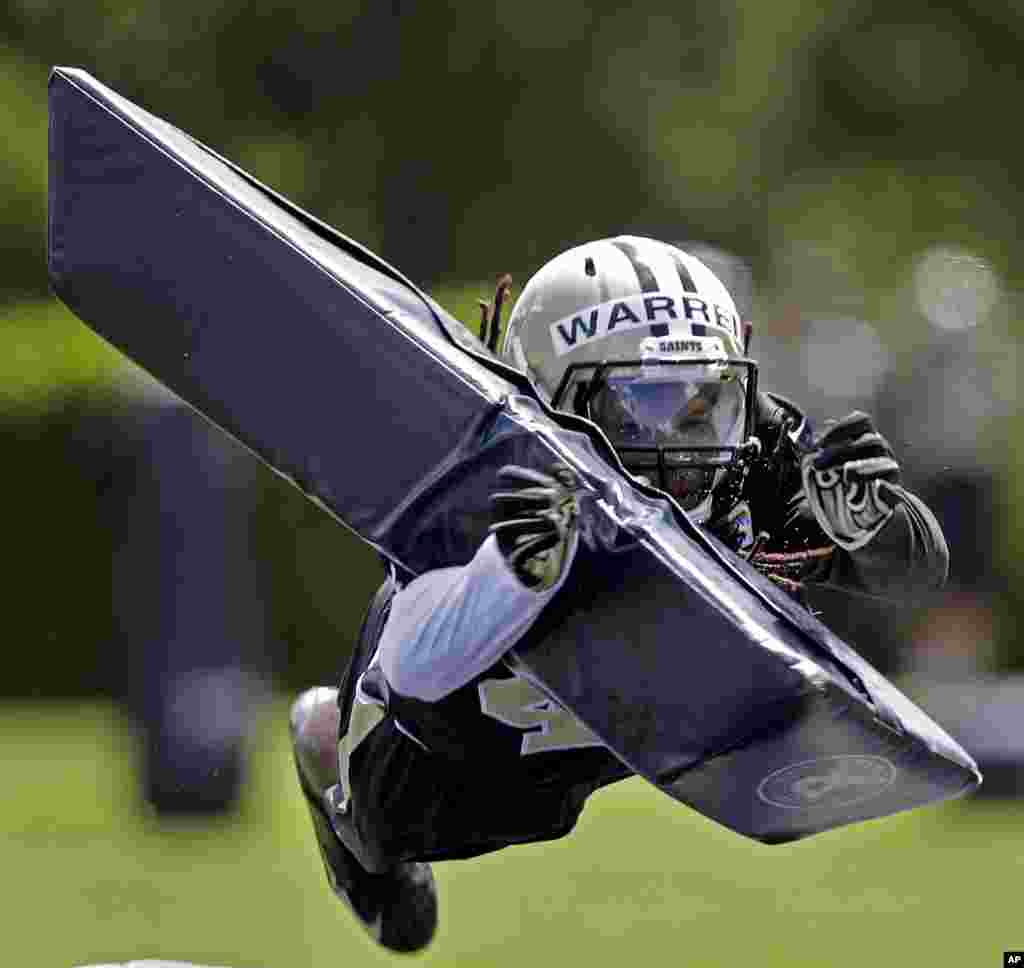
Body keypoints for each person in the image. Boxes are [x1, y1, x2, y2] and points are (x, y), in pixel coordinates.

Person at [289, 237, 949, 953]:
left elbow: (912, 574)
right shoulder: (487, 465)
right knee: (386, 827)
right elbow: (417, 673)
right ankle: (327, 753)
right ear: (552, 399)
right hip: (467, 742)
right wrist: (510, 576)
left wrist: (877, 528)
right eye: (645, 404)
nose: (687, 441)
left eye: (706, 402)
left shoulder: (754, 451)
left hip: (625, 724)